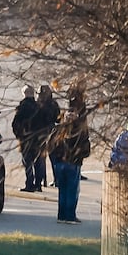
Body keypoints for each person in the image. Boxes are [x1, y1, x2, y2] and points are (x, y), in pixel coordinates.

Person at [49, 88, 91, 223]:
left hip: (60, 163)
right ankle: (70, 215)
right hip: (73, 163)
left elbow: (50, 145)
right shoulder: (80, 131)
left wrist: (55, 158)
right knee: (72, 191)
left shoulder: (58, 130)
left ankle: (61, 215)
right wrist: (80, 157)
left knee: (62, 190)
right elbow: (86, 148)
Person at [29, 84, 61, 191]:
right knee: (53, 158)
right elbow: (58, 119)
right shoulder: (54, 104)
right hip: (52, 132)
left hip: (42, 134)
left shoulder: (38, 106)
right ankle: (56, 179)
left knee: (42, 158)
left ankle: (42, 180)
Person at [12, 85, 39, 191]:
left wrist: (19, 135)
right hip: (38, 139)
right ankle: (38, 184)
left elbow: (15, 123)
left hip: (26, 138)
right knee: (38, 161)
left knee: (27, 162)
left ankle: (29, 183)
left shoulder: (22, 107)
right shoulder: (38, 106)